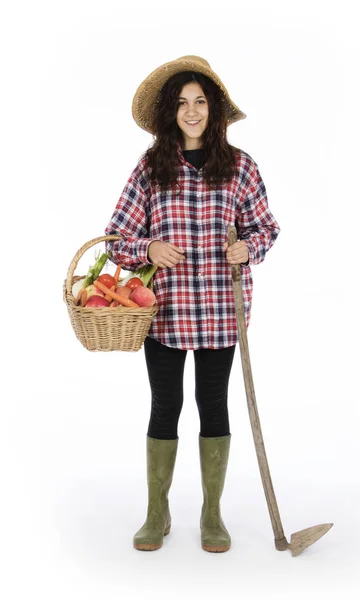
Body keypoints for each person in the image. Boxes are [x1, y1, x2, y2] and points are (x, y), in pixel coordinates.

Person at [104, 55, 281, 553]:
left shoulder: (241, 167)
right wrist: (147, 248)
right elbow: (116, 235)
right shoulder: (150, 168)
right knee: (165, 407)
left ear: (215, 109)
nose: (192, 110)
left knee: (214, 407)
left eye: (200, 101)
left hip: (224, 315)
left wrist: (249, 247)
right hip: (165, 315)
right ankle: (156, 513)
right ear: (170, 112)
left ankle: (211, 514)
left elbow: (266, 228)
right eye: (182, 103)